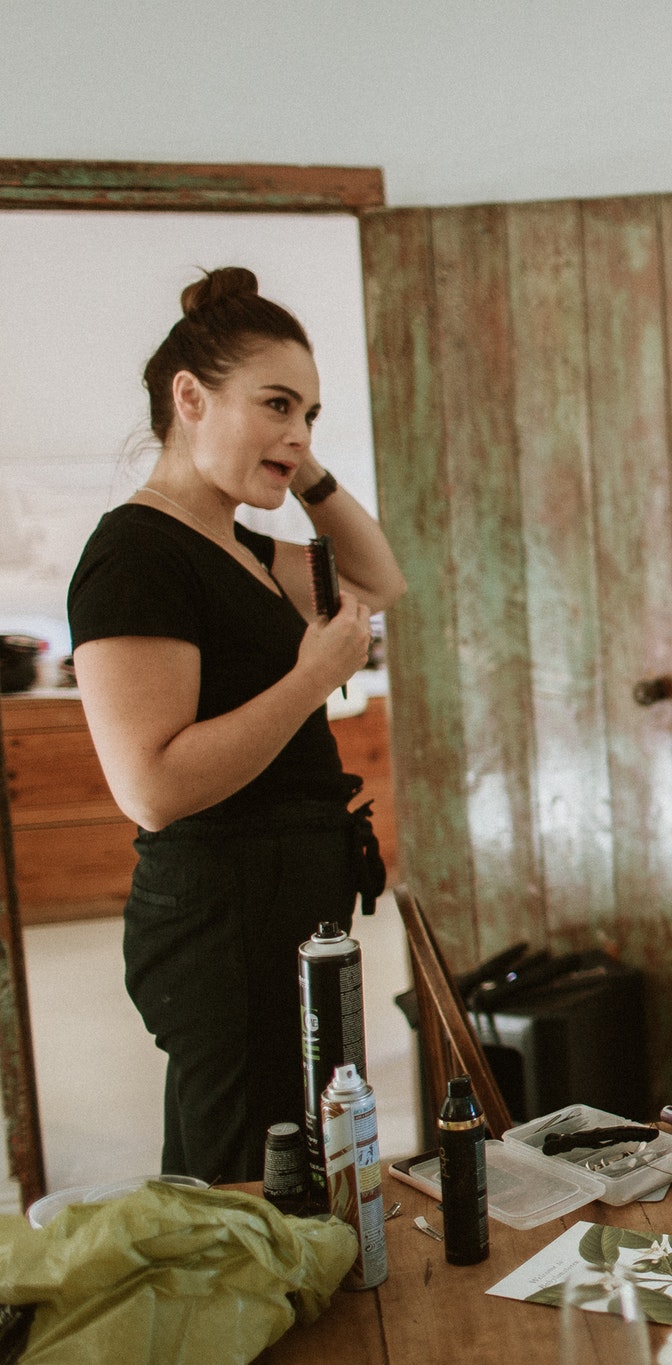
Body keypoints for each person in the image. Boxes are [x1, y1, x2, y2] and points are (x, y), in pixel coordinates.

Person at [68, 267, 407, 1184]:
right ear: (190, 397)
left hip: (291, 908)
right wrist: (310, 681)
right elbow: (153, 786)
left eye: (312, 414)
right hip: (221, 922)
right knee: (240, 1183)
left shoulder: (243, 546)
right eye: (276, 405)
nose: (297, 434)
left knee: (307, 1167)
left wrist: (307, 469)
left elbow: (378, 584)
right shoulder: (135, 553)